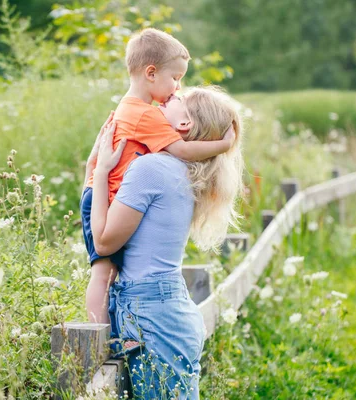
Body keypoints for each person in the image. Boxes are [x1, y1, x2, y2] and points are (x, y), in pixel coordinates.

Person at [89, 86, 243, 399]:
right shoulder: (181, 170)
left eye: (177, 99)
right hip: (163, 307)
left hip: (152, 312)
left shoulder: (152, 168)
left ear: (184, 124)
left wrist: (99, 171)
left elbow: (103, 243)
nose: (167, 97)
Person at [80, 28, 235, 328]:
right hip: (103, 197)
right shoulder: (146, 115)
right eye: (176, 78)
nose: (178, 88)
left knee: (107, 273)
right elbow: (184, 151)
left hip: (100, 193)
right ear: (151, 73)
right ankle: (97, 335)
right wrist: (223, 145)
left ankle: (107, 330)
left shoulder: (131, 108)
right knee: (103, 273)